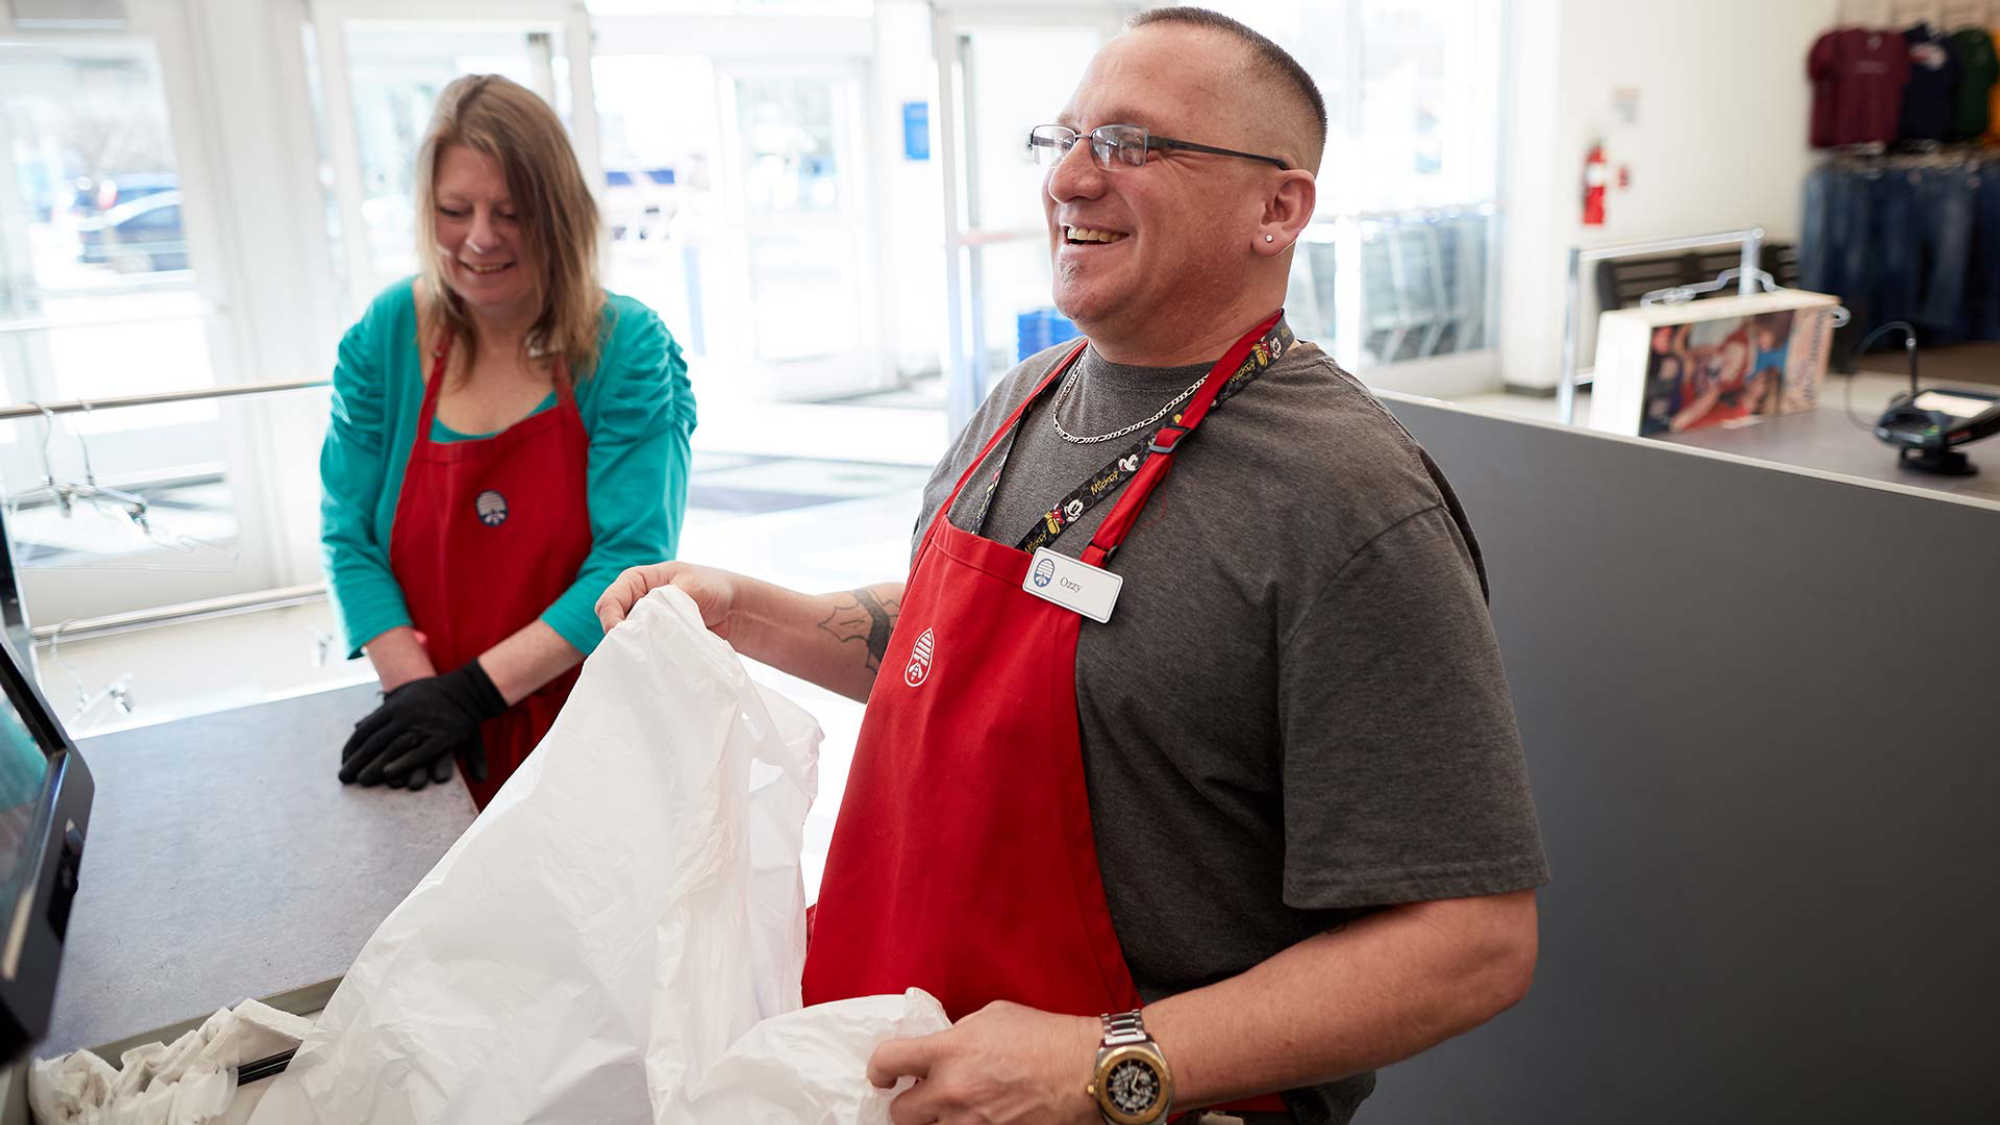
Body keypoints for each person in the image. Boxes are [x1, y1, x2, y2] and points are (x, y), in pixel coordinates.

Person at [597, 9, 1544, 1123]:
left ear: (1276, 208)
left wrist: (1103, 1063)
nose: (1073, 180)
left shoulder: (1345, 502)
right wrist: (747, 611)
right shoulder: (1020, 404)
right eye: (1064, 140)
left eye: (1134, 145)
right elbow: (972, 659)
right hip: (901, 1068)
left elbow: (1471, 942)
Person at [323, 74, 695, 808]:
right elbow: (350, 534)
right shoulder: (387, 335)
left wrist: (472, 693)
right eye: (454, 211)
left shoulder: (626, 348)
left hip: (590, 716)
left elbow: (629, 559)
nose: (480, 238)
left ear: (558, 217)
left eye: (511, 212)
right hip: (435, 723)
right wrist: (418, 697)